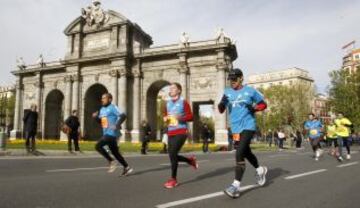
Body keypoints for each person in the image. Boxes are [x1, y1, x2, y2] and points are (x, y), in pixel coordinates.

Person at [218, 68, 268, 199]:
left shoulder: (250, 91)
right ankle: (260, 170)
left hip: (248, 126)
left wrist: (255, 108)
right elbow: (221, 109)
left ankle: (235, 186)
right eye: (230, 79)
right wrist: (221, 104)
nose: (232, 82)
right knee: (246, 152)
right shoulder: (227, 92)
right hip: (235, 129)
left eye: (234, 79)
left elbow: (263, 104)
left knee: (239, 153)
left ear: (241, 78)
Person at [163, 82, 198, 189]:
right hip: (171, 132)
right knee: (172, 155)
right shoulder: (167, 103)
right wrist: (165, 119)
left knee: (173, 153)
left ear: (179, 90)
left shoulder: (183, 102)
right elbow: (165, 116)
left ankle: (173, 179)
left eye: (173, 88)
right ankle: (190, 161)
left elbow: (191, 117)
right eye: (170, 88)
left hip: (181, 132)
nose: (171, 89)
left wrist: (180, 118)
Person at [92, 93, 133, 176]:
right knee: (115, 153)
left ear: (110, 99)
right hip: (106, 132)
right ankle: (127, 167)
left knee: (98, 146)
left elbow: (123, 115)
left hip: (111, 133)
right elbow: (102, 122)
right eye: (102, 98)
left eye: (104, 98)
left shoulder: (113, 107)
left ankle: (111, 161)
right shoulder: (102, 109)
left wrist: (117, 125)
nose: (102, 100)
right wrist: (96, 117)